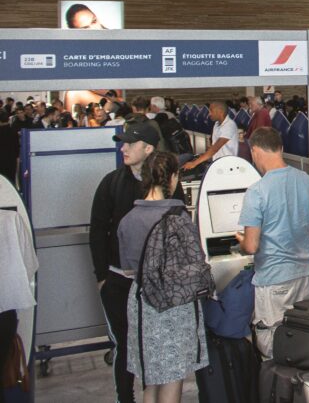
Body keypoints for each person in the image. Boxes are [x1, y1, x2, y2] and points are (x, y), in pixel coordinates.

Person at [118, 152, 208, 403]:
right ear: (173, 178)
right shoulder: (179, 218)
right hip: (175, 305)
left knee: (151, 377)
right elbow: (196, 263)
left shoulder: (127, 221)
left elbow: (127, 269)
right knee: (172, 377)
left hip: (141, 304)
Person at [89, 122, 163, 403]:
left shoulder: (163, 184)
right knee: (125, 343)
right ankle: (125, 398)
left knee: (153, 346)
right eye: (123, 144)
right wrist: (102, 277)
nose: (123, 148)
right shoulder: (111, 182)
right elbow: (97, 229)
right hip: (118, 280)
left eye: (130, 144)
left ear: (148, 148)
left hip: (154, 282)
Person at [235, 128, 309, 358]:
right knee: (304, 340)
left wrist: (241, 243)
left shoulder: (257, 192)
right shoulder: (306, 181)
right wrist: (296, 238)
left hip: (273, 280)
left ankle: (275, 391)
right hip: (305, 275)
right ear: (281, 149)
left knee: (273, 347)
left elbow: (252, 247)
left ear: (254, 151)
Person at [182, 101, 238, 171]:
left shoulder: (229, 125)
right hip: (218, 164)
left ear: (220, 112)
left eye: (211, 111)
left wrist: (194, 163)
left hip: (227, 166)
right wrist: (203, 155)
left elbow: (215, 148)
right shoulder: (216, 124)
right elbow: (214, 147)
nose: (209, 114)